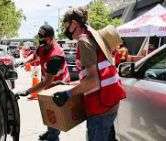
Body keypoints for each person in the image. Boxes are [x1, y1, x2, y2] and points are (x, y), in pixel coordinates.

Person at [52, 7, 126, 141]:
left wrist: (67, 94)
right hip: (110, 102)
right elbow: (94, 75)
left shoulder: (83, 41)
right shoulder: (92, 37)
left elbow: (93, 81)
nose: (66, 30)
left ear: (74, 23)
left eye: (67, 26)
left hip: (101, 107)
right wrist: (68, 84)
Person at [16, 25, 70, 141]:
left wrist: (27, 91)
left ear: (51, 38)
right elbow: (35, 56)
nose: (41, 44)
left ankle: (53, 136)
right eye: (40, 40)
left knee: (55, 115)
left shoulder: (56, 55)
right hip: (48, 85)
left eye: (44, 41)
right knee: (48, 110)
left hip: (58, 88)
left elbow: (47, 82)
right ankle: (50, 131)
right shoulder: (43, 47)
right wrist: (23, 61)